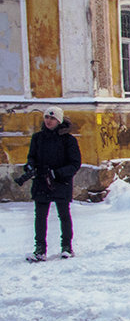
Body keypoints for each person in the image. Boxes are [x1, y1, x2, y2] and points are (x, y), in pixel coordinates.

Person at [25, 106, 81, 261]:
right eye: (47, 118)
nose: (48, 121)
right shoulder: (38, 138)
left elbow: (75, 163)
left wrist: (58, 173)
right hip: (41, 181)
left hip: (61, 182)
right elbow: (32, 157)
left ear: (59, 120)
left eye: (52, 118)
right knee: (40, 216)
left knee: (63, 215)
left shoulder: (68, 140)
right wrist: (30, 166)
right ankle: (40, 249)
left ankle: (67, 247)